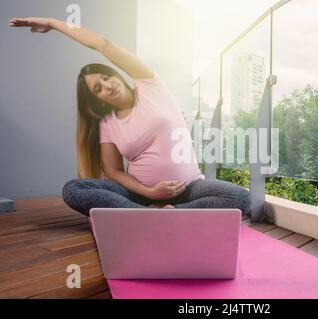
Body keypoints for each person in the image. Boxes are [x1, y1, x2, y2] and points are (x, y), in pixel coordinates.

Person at [9, 17, 251, 217]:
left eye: (104, 77)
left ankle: (167, 213)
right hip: (140, 196)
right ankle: (149, 214)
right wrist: (150, 193)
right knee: (73, 189)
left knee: (241, 197)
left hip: (189, 187)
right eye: (98, 89)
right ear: (98, 100)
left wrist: (53, 24)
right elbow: (114, 172)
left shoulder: (149, 85)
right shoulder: (107, 124)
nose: (107, 85)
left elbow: (101, 44)